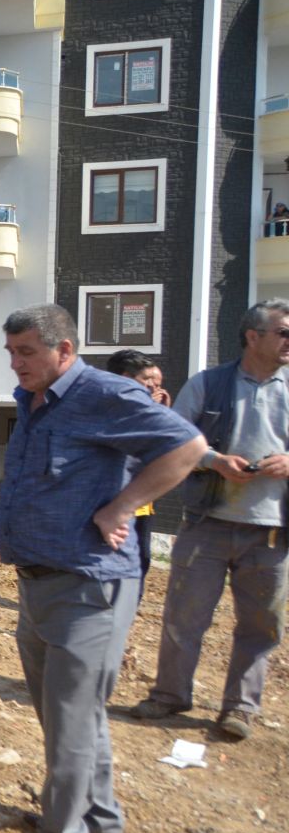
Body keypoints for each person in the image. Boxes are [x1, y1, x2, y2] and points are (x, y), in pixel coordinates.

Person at [0, 304, 203, 833]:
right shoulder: (32, 400)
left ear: (65, 350)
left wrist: (122, 505)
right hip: (37, 585)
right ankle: (103, 816)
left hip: (91, 586)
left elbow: (186, 448)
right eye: (11, 352)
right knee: (69, 716)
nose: (15, 364)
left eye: (27, 352)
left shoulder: (103, 394)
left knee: (70, 719)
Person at [130, 300, 289, 741]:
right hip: (208, 523)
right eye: (283, 332)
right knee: (185, 616)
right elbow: (173, 439)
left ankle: (240, 707)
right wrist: (215, 461)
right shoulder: (208, 384)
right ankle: (169, 695)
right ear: (253, 337)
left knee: (261, 625)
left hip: (272, 531)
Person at [105, 349, 170, 590]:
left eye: (158, 384)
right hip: (110, 503)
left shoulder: (152, 411)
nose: (154, 389)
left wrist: (161, 414)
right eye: (147, 382)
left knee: (141, 561)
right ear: (124, 378)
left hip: (142, 504)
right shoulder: (105, 406)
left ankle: (126, 611)